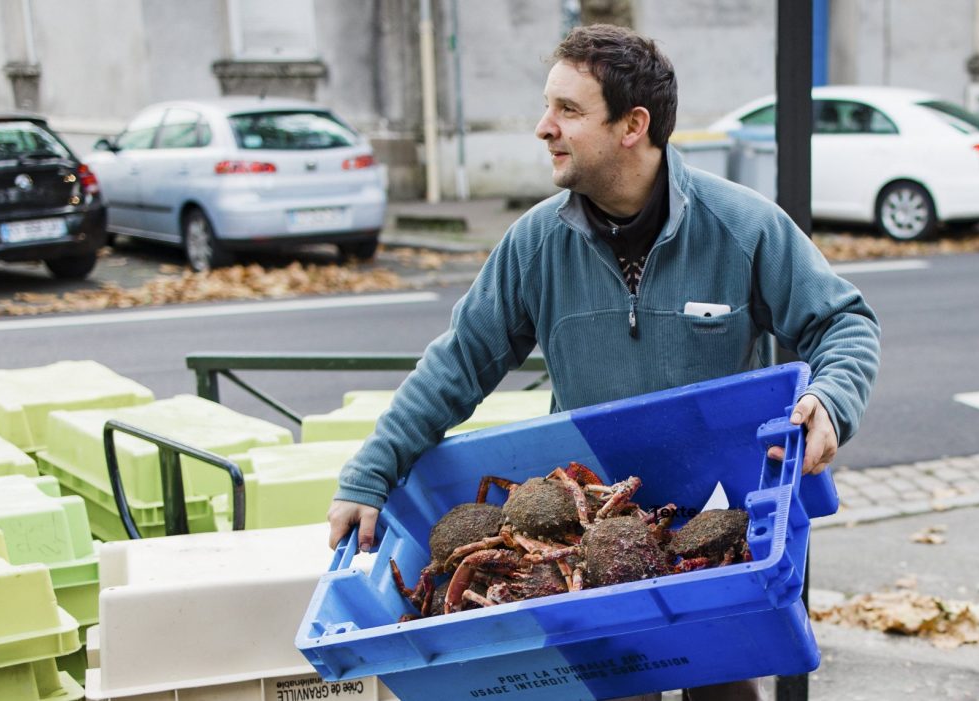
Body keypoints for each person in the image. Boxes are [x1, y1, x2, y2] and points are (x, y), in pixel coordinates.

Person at [327, 23, 880, 701]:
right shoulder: (534, 244)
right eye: (547, 106)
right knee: (617, 690)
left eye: (568, 110)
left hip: (711, 530)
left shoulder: (743, 225)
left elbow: (843, 323)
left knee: (724, 688)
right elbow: (457, 365)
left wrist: (832, 400)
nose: (543, 127)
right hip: (581, 541)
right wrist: (369, 472)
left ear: (632, 125)